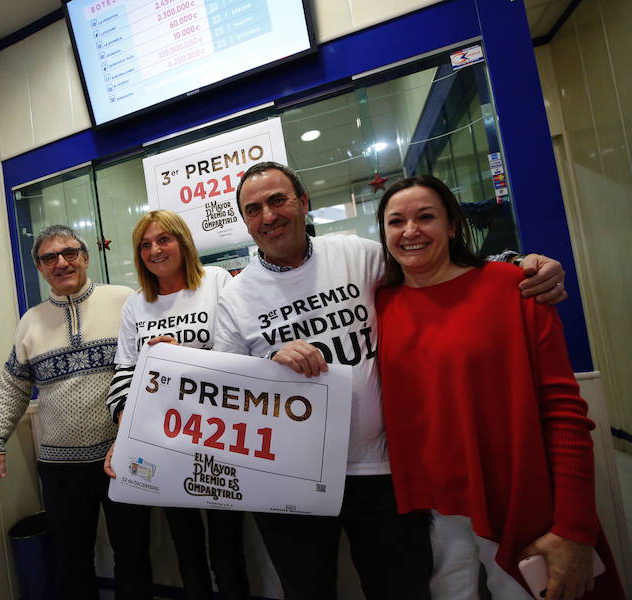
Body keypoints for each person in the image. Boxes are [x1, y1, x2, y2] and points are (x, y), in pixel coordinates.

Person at [212, 161, 568, 600]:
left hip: (380, 472)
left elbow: (430, 263)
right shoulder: (234, 296)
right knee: (307, 590)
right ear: (245, 222)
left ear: (303, 203)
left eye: (278, 200)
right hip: (291, 480)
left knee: (401, 588)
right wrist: (269, 358)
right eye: (253, 209)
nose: (268, 216)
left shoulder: (356, 254)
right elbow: (227, 388)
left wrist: (516, 264)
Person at [374, 175, 624, 600]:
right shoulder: (379, 303)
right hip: (432, 511)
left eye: (426, 217)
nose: (410, 230)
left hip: (512, 502)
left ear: (453, 225)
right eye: (396, 221)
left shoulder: (513, 286)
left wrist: (574, 526)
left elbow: (563, 412)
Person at [0, 225, 152, 600]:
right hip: (61, 468)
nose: (61, 262)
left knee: (134, 555)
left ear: (86, 257)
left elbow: (151, 366)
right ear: (40, 269)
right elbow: (14, 387)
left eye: (70, 252)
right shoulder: (30, 323)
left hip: (122, 456)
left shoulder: (124, 300)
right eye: (49, 258)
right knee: (72, 561)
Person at [104, 210, 250, 600]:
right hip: (164, 442)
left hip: (220, 439)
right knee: (186, 545)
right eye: (145, 245)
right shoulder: (136, 305)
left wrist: (180, 356)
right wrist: (125, 429)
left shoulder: (217, 282)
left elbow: (240, 357)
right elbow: (125, 373)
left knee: (227, 547)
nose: (155, 250)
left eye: (164, 239)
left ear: (183, 241)